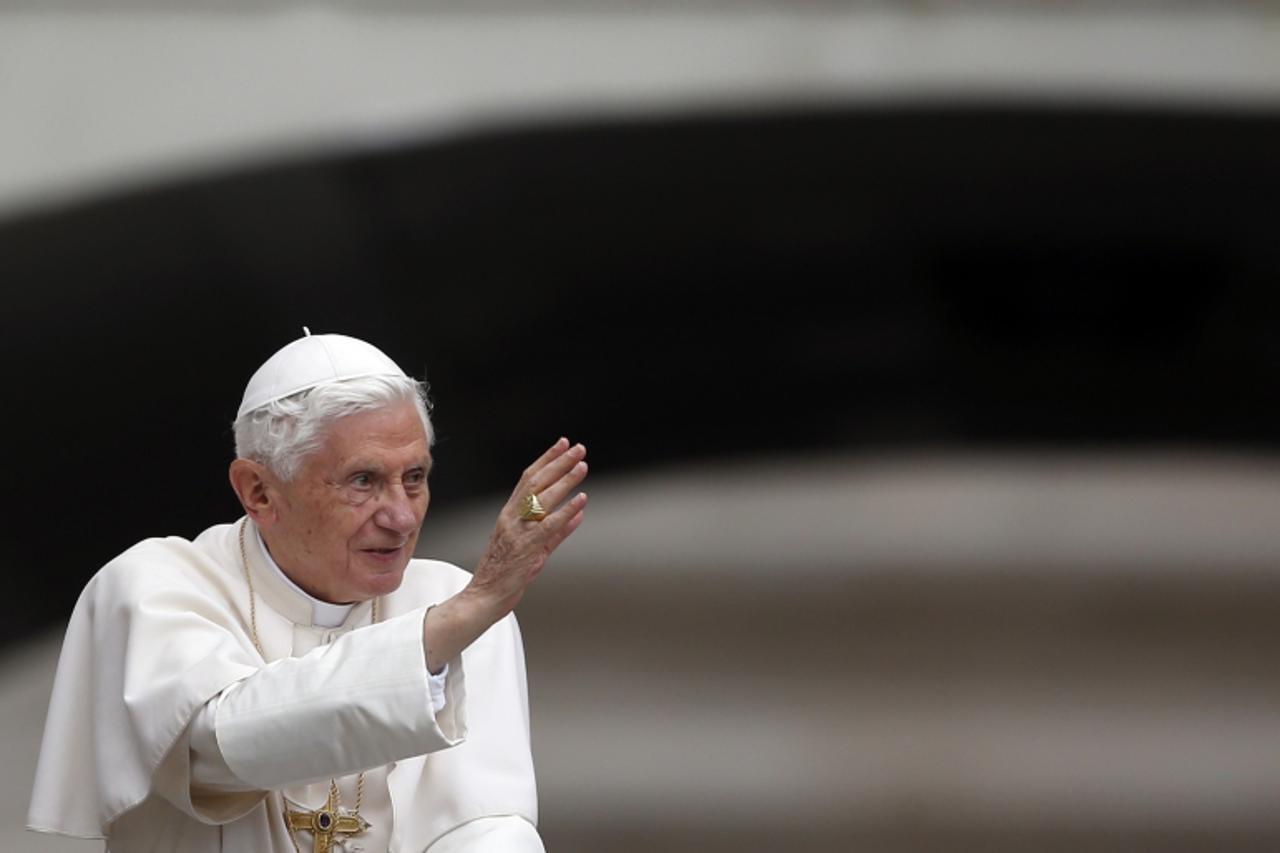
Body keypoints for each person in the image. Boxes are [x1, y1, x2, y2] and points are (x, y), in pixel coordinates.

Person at [28, 331, 588, 852]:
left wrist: (462, 612)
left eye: (414, 478)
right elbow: (219, 749)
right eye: (363, 481)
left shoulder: (450, 597)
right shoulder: (152, 586)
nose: (399, 517)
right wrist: (450, 625)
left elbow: (483, 823)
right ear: (259, 491)